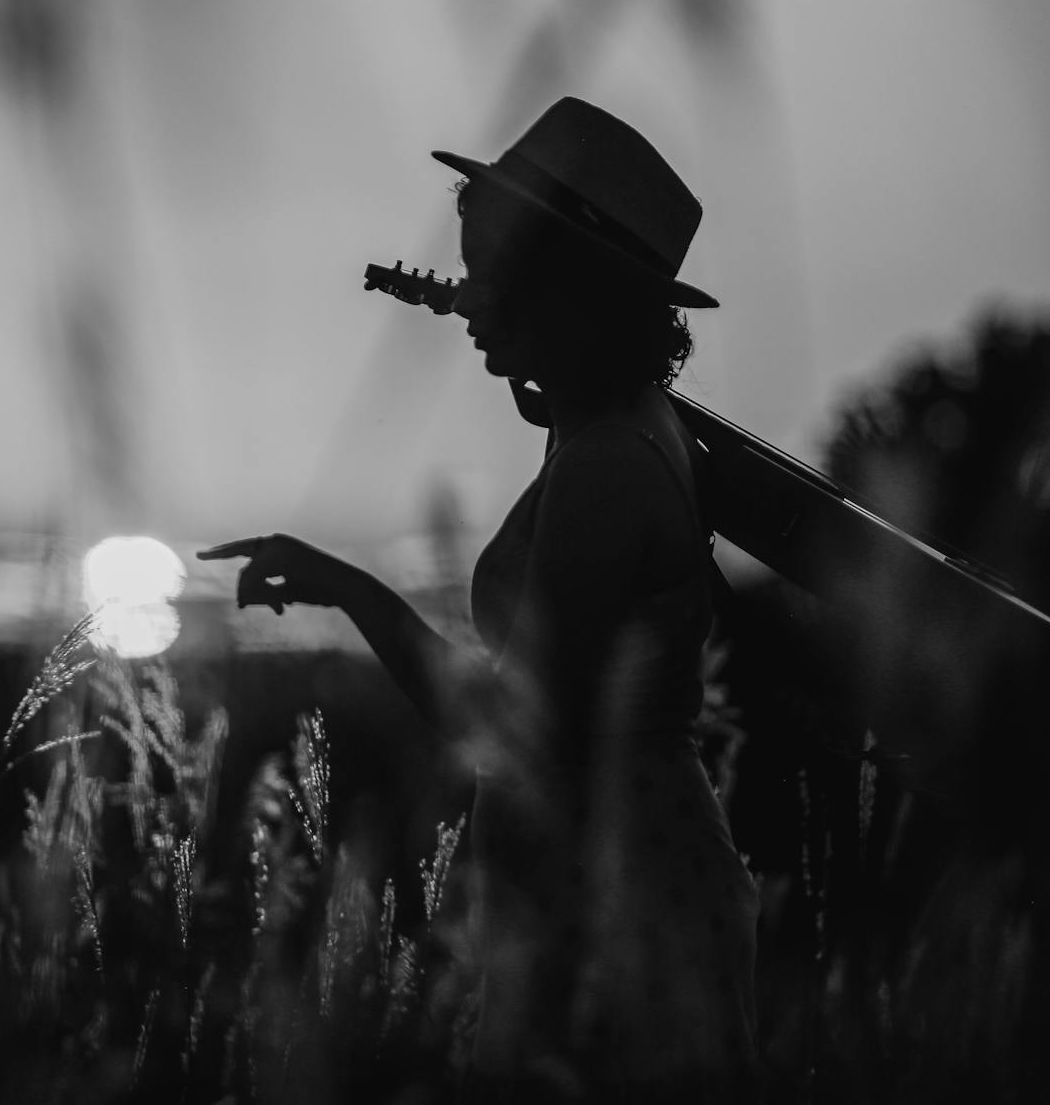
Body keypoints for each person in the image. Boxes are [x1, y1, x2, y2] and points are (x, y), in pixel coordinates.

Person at [198, 97, 758, 1102]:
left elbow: (506, 724)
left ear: (568, 290)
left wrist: (350, 590)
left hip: (621, 888)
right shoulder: (618, 425)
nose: (467, 302)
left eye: (491, 277)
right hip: (635, 860)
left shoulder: (604, 466)